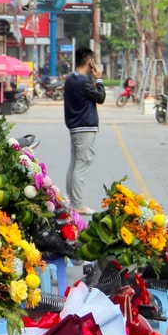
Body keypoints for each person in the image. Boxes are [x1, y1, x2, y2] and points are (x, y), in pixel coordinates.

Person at [63, 47, 106, 215]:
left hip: (75, 127)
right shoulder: (83, 81)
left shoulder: (70, 79)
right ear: (90, 62)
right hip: (85, 127)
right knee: (82, 164)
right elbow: (100, 97)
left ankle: (71, 201)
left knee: (74, 164)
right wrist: (99, 78)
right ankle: (78, 204)